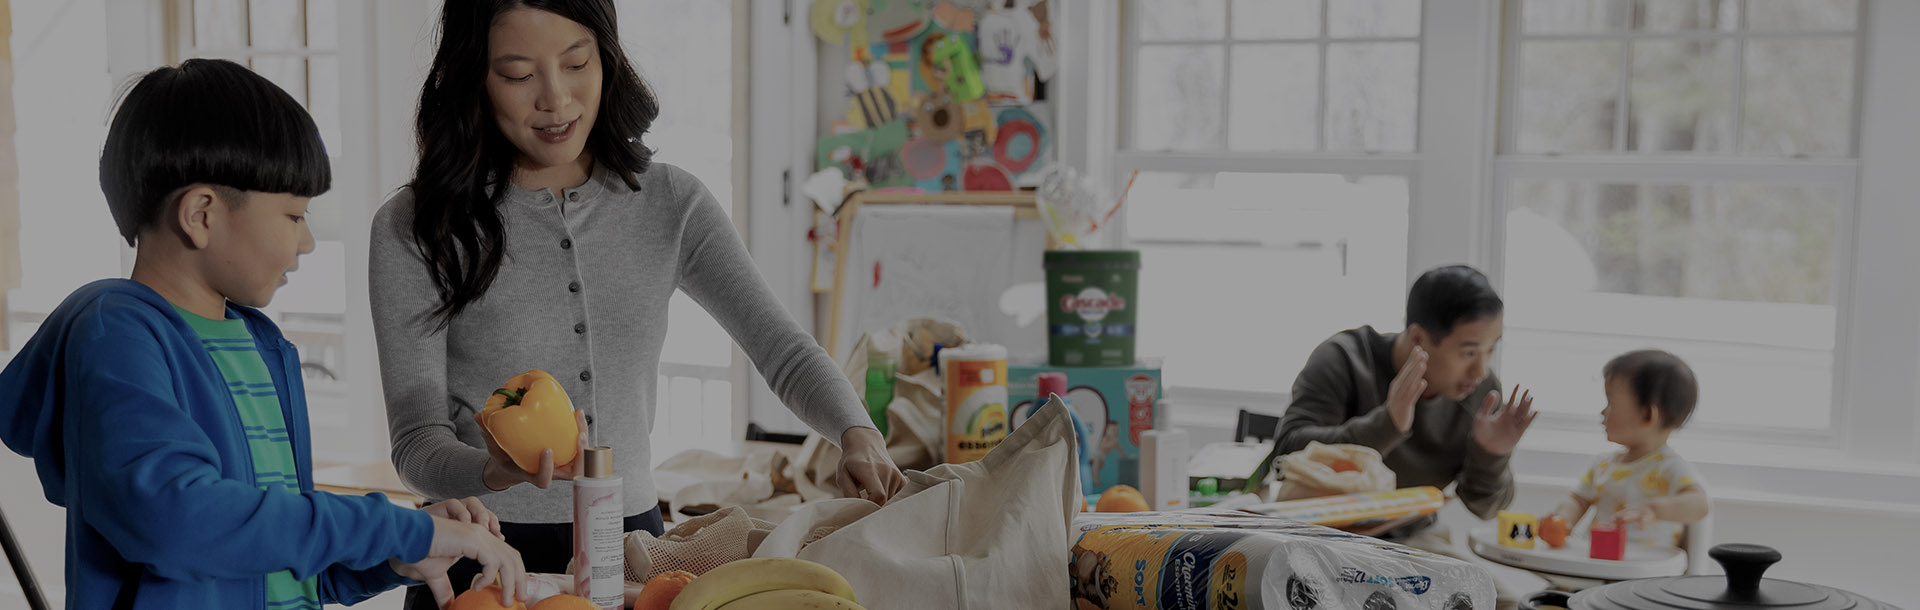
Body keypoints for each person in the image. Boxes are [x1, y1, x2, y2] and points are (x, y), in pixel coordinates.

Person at [369, 2, 906, 605]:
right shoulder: (415, 226)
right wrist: (492, 472)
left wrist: (855, 431)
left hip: (631, 553)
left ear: (608, 60)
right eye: (518, 74)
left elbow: (781, 347)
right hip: (481, 556)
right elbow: (415, 440)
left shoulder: (670, 202)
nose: (555, 98)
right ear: (474, 78)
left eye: (577, 63)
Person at [0, 58, 524, 610]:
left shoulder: (259, 346)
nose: (307, 243)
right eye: (294, 217)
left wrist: (393, 558)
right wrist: (401, 528)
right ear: (201, 214)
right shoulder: (117, 338)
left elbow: (274, 563)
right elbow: (180, 523)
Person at [1272, 264, 1541, 609]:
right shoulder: (1345, 358)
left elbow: (1486, 507)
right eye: (1469, 352)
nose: (1481, 370)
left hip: (1417, 543)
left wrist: (1490, 454)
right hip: (1328, 542)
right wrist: (1388, 424)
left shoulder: (1480, 390)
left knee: (1512, 605)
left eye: (1491, 350)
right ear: (1418, 338)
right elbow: (1286, 455)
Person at [1548, 350, 1709, 547]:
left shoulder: (1669, 467)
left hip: (1647, 574)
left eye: (1611, 403)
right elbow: (1578, 499)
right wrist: (1562, 519)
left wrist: (1653, 509)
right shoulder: (1604, 465)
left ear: (1648, 414)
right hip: (1600, 564)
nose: (1602, 411)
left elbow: (1699, 504)